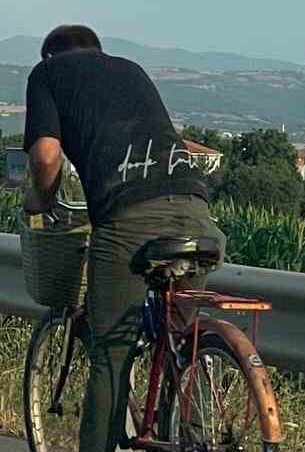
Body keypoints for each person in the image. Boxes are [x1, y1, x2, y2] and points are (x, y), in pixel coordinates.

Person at [22, 23, 225, 452]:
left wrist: (41, 200)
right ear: (98, 51)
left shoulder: (48, 74)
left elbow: (46, 155)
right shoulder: (130, 69)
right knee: (178, 347)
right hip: (197, 212)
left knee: (110, 356)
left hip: (129, 217)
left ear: (50, 56)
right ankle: (190, 437)